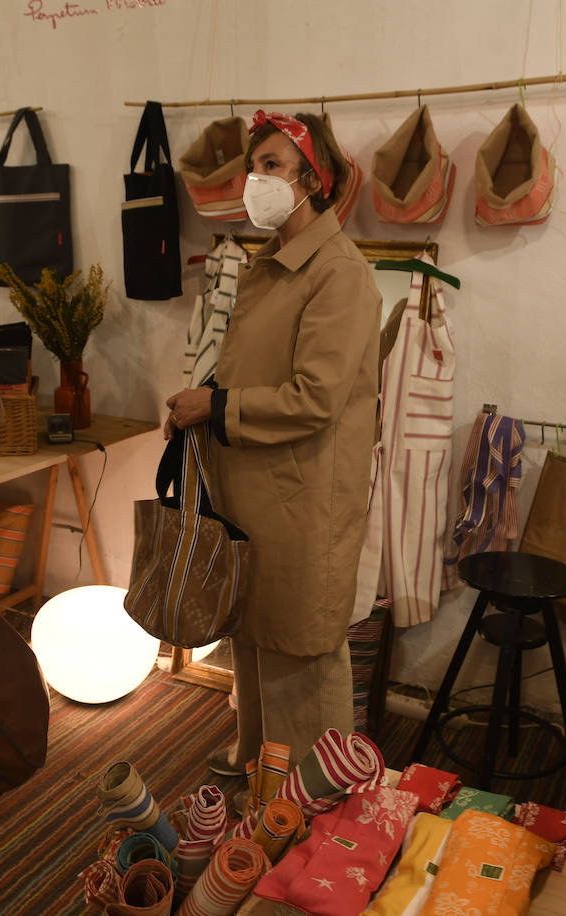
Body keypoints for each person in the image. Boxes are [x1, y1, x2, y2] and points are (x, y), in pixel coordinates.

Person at [164, 111, 381, 774]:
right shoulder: (272, 264)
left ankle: (311, 791)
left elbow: (315, 397)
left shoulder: (336, 274)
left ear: (314, 181)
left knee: (300, 646)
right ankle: (260, 760)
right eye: (253, 166)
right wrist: (204, 403)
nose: (255, 179)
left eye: (272, 167)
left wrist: (217, 405)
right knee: (256, 634)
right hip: (259, 489)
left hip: (302, 495)